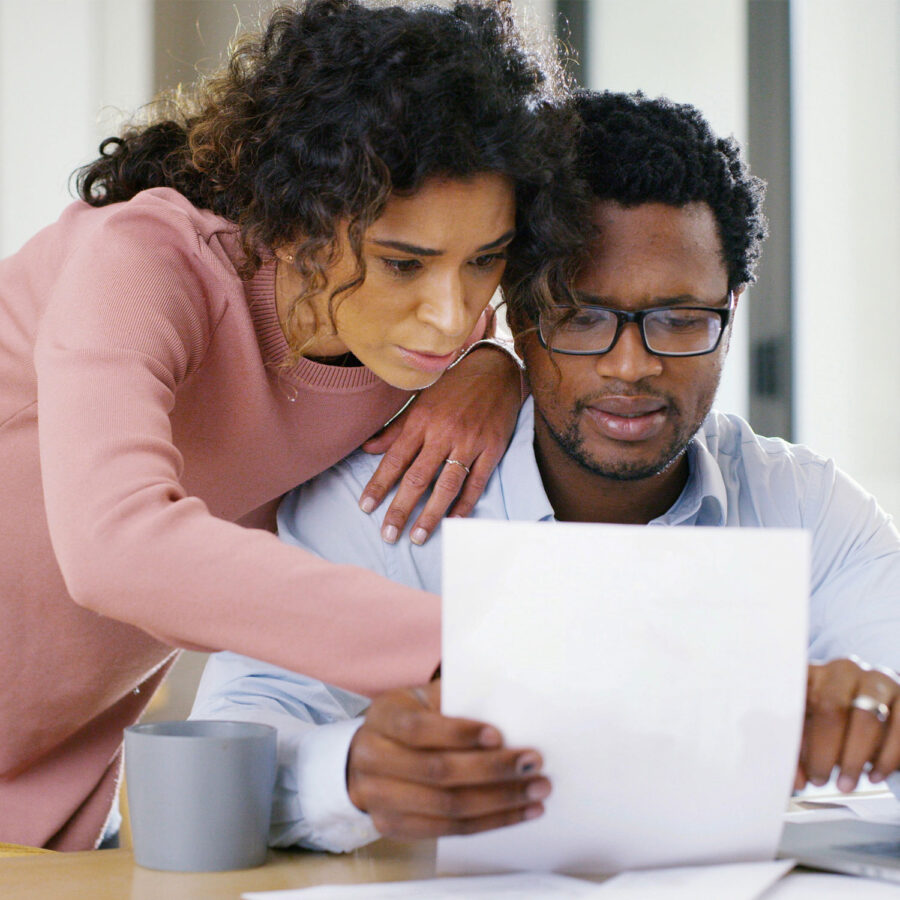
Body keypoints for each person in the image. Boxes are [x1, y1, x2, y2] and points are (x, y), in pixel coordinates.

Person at [192, 90, 900, 852]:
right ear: (520, 318)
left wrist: (877, 722)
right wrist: (350, 772)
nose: (631, 367)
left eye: (680, 319)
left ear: (730, 311)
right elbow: (227, 746)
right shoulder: (385, 499)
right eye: (582, 317)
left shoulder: (808, 507)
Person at [0, 0, 587, 850]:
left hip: (50, 783)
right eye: (403, 263)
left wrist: (499, 364)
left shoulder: (410, 344)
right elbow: (115, 547)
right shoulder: (141, 262)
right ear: (301, 216)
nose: (450, 314)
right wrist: (461, 648)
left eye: (485, 260)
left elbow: (470, 331)